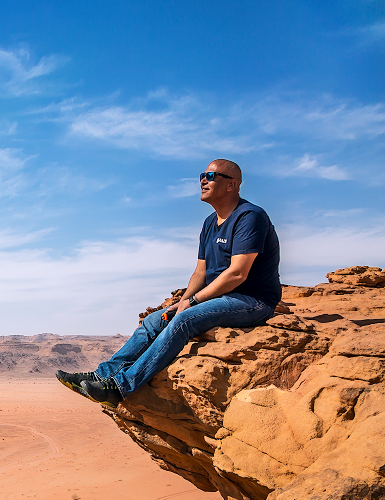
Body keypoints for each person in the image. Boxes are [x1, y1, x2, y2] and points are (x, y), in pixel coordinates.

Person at [58, 159, 280, 408]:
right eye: (201, 175)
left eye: (210, 175)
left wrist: (194, 302)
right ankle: (103, 374)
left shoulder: (250, 217)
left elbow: (237, 274)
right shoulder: (210, 223)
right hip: (220, 298)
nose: (203, 181)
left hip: (251, 300)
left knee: (185, 320)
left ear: (232, 185)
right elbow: (200, 272)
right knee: (156, 319)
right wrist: (184, 300)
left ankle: (121, 387)